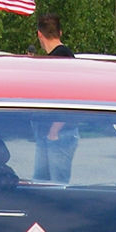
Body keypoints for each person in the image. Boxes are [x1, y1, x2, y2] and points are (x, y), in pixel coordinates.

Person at [32, 13, 79, 183]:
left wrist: (54, 130)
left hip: (59, 133)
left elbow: (71, 96)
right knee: (40, 184)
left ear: (39, 34)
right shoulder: (57, 57)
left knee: (56, 187)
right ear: (60, 32)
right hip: (49, 132)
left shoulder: (62, 58)